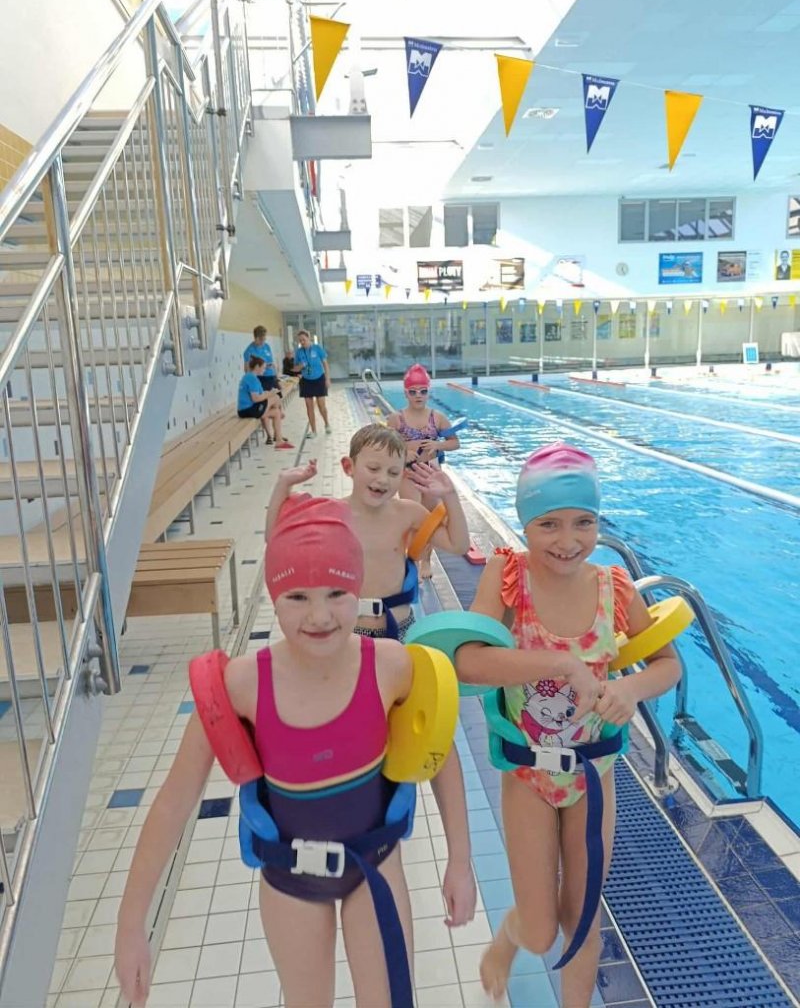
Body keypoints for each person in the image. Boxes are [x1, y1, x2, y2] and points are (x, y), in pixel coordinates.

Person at [115, 496, 476, 1008]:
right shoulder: (242, 685)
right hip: (290, 879)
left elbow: (441, 758)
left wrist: (460, 861)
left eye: (337, 592)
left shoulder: (390, 665)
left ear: (358, 587)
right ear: (273, 596)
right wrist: (131, 925)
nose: (320, 615)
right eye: (298, 597)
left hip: (375, 865)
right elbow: (174, 802)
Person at [455, 443, 682, 1008]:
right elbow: (468, 662)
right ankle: (511, 936)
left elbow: (668, 664)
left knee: (582, 922)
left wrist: (629, 688)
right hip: (528, 778)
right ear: (525, 524)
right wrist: (559, 665)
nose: (568, 540)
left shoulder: (613, 587)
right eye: (548, 524)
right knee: (540, 932)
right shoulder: (510, 579)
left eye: (584, 522)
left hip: (593, 775)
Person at [267, 424, 471, 645]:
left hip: (400, 627)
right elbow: (274, 538)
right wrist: (283, 485)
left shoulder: (408, 513)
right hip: (350, 632)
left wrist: (450, 496)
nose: (383, 479)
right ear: (349, 467)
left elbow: (458, 545)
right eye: (373, 468)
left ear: (403, 474)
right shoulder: (329, 514)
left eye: (393, 473)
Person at [387, 365, 460, 581]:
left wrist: (438, 445)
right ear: (405, 393)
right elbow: (385, 446)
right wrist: (403, 452)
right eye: (413, 392)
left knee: (429, 521)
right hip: (408, 474)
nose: (418, 395)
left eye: (423, 391)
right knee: (411, 518)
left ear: (428, 391)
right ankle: (412, 561)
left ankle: (426, 560)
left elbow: (454, 443)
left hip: (431, 473)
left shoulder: (437, 418)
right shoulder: (397, 419)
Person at [238, 356, 293, 448]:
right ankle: (280, 411)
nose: (265, 370)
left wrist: (268, 393)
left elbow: (260, 394)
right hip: (248, 410)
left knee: (276, 412)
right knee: (275, 397)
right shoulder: (252, 379)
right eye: (263, 368)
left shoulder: (250, 377)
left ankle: (279, 440)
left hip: (249, 409)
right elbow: (255, 398)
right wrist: (270, 393)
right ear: (257, 367)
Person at [293, 329, 330, 437]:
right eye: (300, 340)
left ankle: (327, 424)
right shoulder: (299, 352)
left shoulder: (317, 348)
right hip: (306, 381)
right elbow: (295, 368)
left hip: (319, 379)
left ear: (309, 338)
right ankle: (313, 431)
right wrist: (300, 366)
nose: (302, 342)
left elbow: (325, 364)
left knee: (321, 405)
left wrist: (327, 379)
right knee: (309, 407)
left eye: (303, 340)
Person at [243, 325, 279, 391]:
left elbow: (272, 363)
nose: (263, 342)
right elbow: (247, 370)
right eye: (262, 340)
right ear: (256, 338)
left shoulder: (267, 346)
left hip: (271, 376)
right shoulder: (249, 351)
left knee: (279, 395)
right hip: (261, 378)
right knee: (267, 397)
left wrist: (276, 376)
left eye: (265, 339)